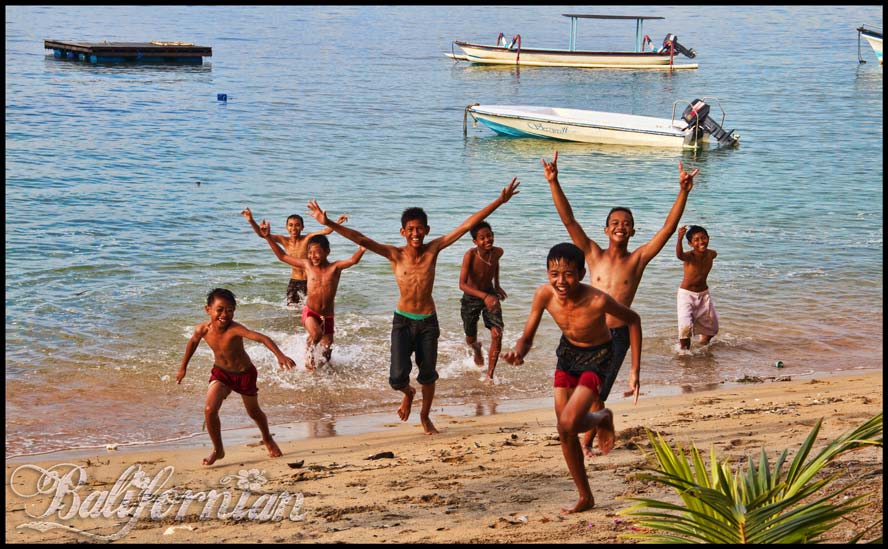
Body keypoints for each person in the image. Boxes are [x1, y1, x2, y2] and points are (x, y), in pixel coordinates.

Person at [306, 177, 520, 435]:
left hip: (428, 321)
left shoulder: (434, 249)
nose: (415, 233)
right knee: (397, 378)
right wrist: (327, 223)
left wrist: (499, 200)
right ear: (403, 232)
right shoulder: (394, 254)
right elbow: (360, 237)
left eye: (420, 229)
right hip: (403, 321)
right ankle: (407, 393)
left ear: (427, 230)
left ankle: (425, 416)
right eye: (410, 229)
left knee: (428, 375)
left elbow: (466, 226)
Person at [541, 150, 697, 456]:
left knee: (597, 392)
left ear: (633, 230)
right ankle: (590, 434)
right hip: (585, 332)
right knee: (579, 392)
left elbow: (666, 230)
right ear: (606, 229)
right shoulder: (592, 253)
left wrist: (683, 191)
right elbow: (569, 220)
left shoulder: (637, 260)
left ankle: (586, 442)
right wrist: (553, 182)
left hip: (615, 338)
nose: (620, 226)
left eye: (627, 223)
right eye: (614, 222)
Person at [502, 243, 641, 515]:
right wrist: (519, 352)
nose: (561, 281)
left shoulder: (598, 300)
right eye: (554, 273)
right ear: (547, 273)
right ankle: (585, 496)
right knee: (565, 430)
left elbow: (633, 320)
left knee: (569, 422)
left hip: (597, 358)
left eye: (568, 273)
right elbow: (527, 336)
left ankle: (601, 417)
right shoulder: (544, 295)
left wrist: (634, 370)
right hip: (567, 355)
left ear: (581, 273)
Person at [176, 288, 296, 466]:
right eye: (220, 309)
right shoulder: (203, 329)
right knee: (210, 410)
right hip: (221, 373)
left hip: (244, 374)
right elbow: (193, 342)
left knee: (254, 412)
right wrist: (183, 367)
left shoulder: (235, 329)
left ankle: (267, 438)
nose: (225, 314)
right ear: (208, 309)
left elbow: (261, 338)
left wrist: (280, 355)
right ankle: (218, 450)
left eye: (230, 310)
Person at [258, 220, 366, 370]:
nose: (312, 255)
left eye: (316, 252)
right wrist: (268, 237)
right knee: (316, 334)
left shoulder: (335, 268)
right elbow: (282, 256)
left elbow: (353, 260)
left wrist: (362, 248)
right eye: (309, 252)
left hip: (328, 316)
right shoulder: (307, 265)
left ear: (327, 251)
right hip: (310, 312)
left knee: (326, 354)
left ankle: (321, 371)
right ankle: (308, 356)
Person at [241, 207, 349, 307]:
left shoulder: (308, 238)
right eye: (291, 225)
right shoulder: (284, 240)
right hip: (294, 281)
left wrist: (337, 222)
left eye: (297, 225)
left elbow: (326, 231)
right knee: (292, 309)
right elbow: (263, 234)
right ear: (286, 227)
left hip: (309, 281)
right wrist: (251, 220)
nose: (294, 228)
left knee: (312, 308)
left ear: (302, 227)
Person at [458, 221, 506, 382]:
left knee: (497, 334)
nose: (487, 240)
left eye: (489, 236)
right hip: (472, 297)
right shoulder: (470, 255)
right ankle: (477, 349)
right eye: (482, 238)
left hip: (490, 294)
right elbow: (462, 284)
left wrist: (497, 286)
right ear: (475, 242)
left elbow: (495, 264)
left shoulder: (498, 252)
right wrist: (483, 297)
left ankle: (489, 375)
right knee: (470, 338)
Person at [675, 224, 719, 349]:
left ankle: (703, 343)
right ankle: (684, 352)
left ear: (708, 238)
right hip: (686, 295)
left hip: (704, 294)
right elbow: (679, 255)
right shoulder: (690, 256)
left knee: (713, 327)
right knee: (685, 328)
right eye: (696, 240)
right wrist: (679, 238)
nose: (701, 242)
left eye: (704, 238)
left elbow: (714, 254)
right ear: (690, 244)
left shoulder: (711, 254)